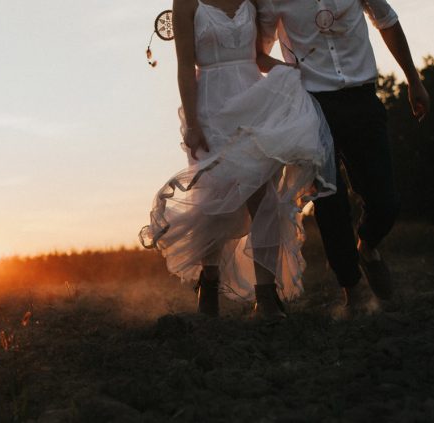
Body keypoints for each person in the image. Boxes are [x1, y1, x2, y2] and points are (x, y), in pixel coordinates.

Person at [141, 0, 337, 319]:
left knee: (265, 199)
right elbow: (184, 66)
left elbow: (258, 56)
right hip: (211, 108)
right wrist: (192, 124)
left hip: (253, 103)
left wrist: (291, 73)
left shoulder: (252, 0)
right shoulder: (186, 3)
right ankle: (210, 278)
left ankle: (266, 296)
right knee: (215, 199)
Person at [256, 0, 430, 309]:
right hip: (312, 106)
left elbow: (387, 21)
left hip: (362, 99)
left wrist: (413, 79)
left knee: (385, 201)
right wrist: (288, 70)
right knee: (330, 202)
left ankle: (368, 245)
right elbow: (259, 54)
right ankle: (352, 288)